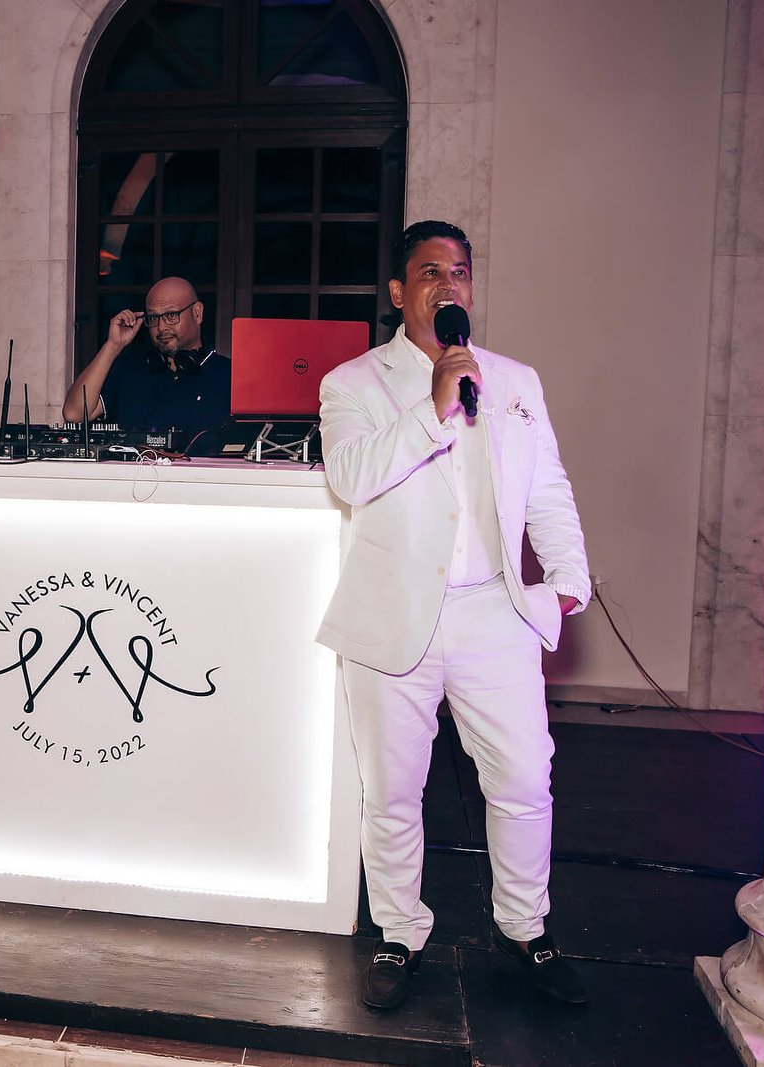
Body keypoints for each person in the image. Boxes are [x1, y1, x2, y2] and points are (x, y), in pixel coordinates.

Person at [316, 220, 592, 1013]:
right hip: (395, 614)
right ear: (399, 292)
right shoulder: (353, 383)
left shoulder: (515, 380)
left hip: (494, 610)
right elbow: (351, 476)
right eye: (430, 271)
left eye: (460, 271)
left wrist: (568, 577)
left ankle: (525, 929)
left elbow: (547, 488)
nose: (448, 283)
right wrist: (433, 407)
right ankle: (399, 932)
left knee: (524, 778)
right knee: (392, 790)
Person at [62, 277, 230, 452]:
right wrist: (113, 346)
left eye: (171, 315)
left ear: (197, 313)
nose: (161, 327)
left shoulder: (229, 375)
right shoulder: (128, 371)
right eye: (154, 317)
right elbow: (74, 414)